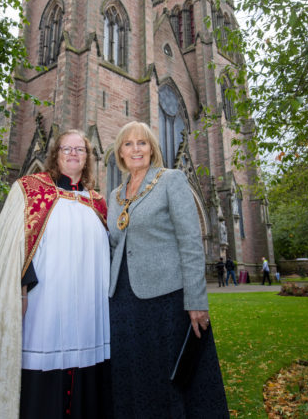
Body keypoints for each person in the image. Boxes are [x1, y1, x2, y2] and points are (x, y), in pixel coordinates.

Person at [0, 130, 112, 419]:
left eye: (81, 149)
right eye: (67, 148)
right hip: (43, 306)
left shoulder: (97, 203)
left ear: (89, 158)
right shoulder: (30, 189)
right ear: (56, 153)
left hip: (90, 312)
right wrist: (22, 289)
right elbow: (13, 247)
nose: (74, 153)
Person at [108, 121, 229, 418]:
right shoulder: (114, 195)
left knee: (169, 375)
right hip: (123, 299)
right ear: (120, 153)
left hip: (166, 298)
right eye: (128, 144)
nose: (136, 149)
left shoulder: (171, 180)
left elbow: (190, 243)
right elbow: (113, 245)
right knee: (133, 371)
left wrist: (197, 301)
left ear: (152, 149)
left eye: (142, 143)